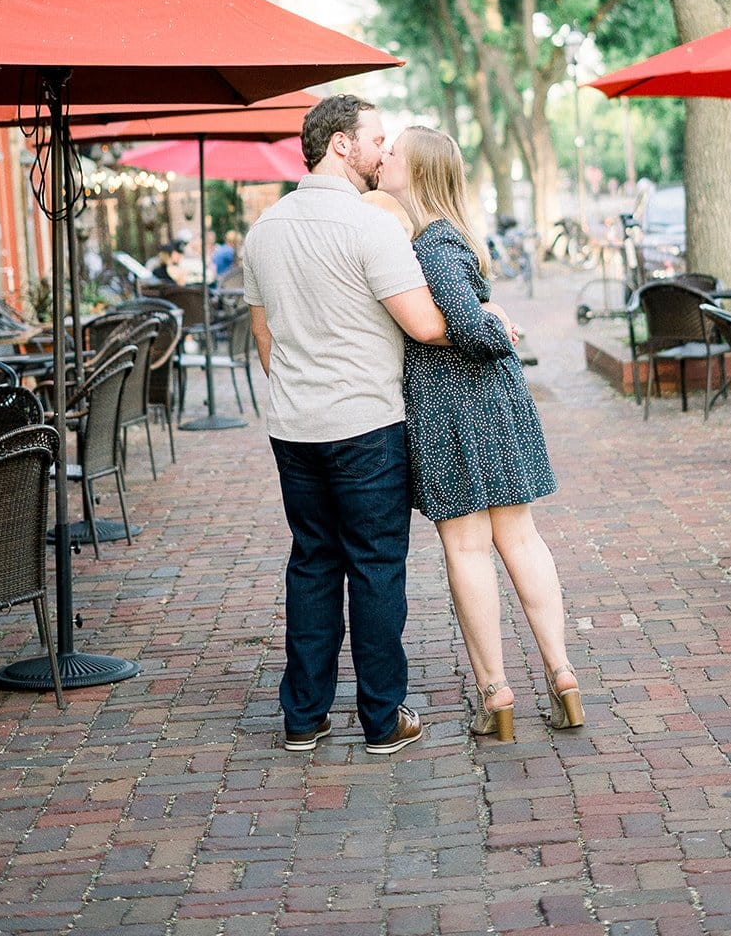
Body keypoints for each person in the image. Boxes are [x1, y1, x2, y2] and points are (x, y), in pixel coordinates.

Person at [243, 94, 450, 756]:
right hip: (365, 423)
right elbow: (423, 324)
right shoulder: (370, 228)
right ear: (339, 145)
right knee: (375, 566)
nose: (384, 151)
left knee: (311, 563)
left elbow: (263, 335)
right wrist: (485, 318)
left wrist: (303, 392)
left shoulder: (264, 229)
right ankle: (382, 719)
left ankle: (303, 717)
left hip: (293, 425)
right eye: (377, 139)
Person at [379, 125, 584, 742]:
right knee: (521, 541)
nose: (383, 156)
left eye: (393, 153)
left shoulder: (432, 245)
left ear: (416, 172)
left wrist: (500, 326)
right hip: (492, 403)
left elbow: (468, 327)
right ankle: (563, 677)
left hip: (453, 409)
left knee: (470, 549)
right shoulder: (450, 237)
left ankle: (496, 695)